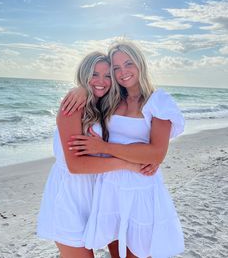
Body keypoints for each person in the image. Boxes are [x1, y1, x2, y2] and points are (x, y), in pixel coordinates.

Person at [66, 40, 185, 258]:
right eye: (116, 68)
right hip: (109, 186)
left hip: (140, 187)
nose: (123, 72)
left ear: (140, 63)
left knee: (137, 252)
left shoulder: (158, 101)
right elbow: (94, 90)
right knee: (116, 253)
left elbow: (157, 153)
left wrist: (104, 147)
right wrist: (81, 88)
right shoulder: (112, 100)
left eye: (128, 64)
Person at [37, 51, 153, 258]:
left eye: (108, 75)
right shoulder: (73, 106)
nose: (101, 81)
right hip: (70, 197)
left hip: (101, 195)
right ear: (84, 74)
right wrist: (129, 164)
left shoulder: (105, 106)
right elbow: (76, 166)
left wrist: (147, 157)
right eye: (94, 74)